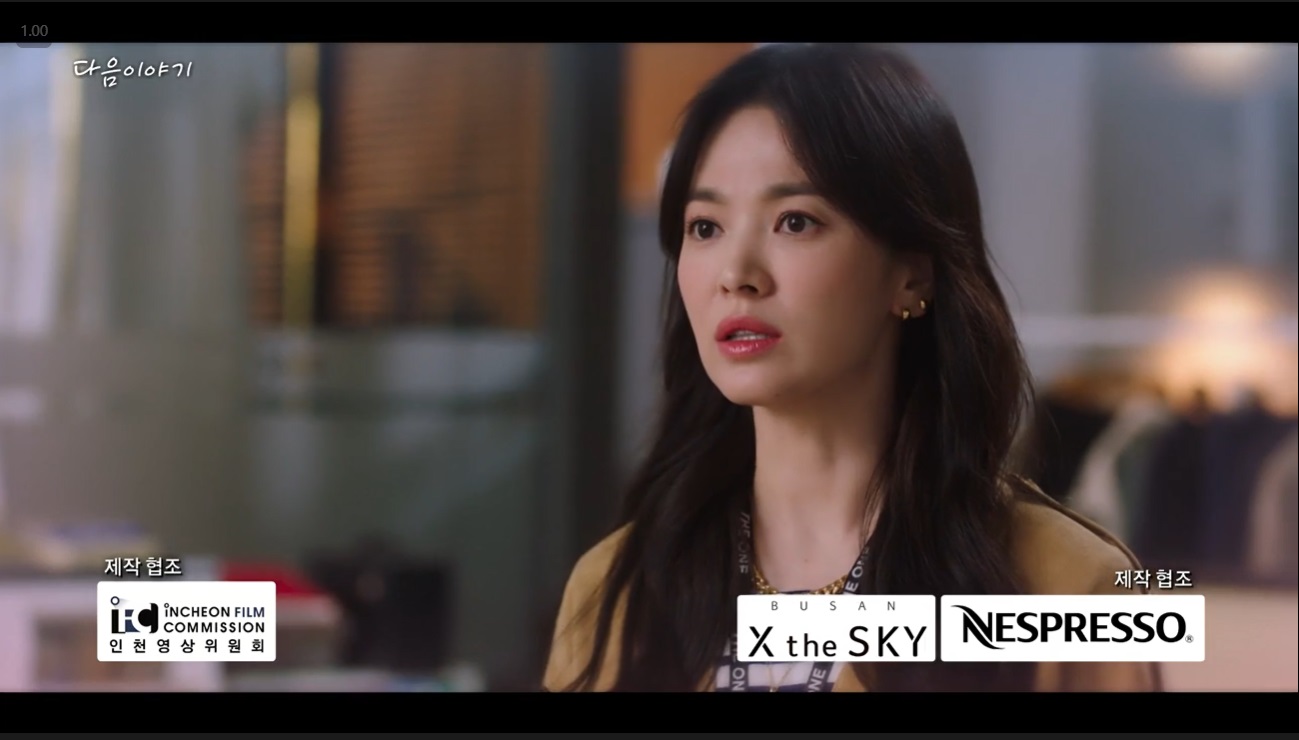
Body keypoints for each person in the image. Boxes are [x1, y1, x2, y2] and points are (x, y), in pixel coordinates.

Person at [543, 43, 1160, 692]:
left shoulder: (1070, 588)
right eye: (705, 227)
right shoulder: (617, 589)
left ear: (911, 275)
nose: (735, 274)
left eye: (794, 221)